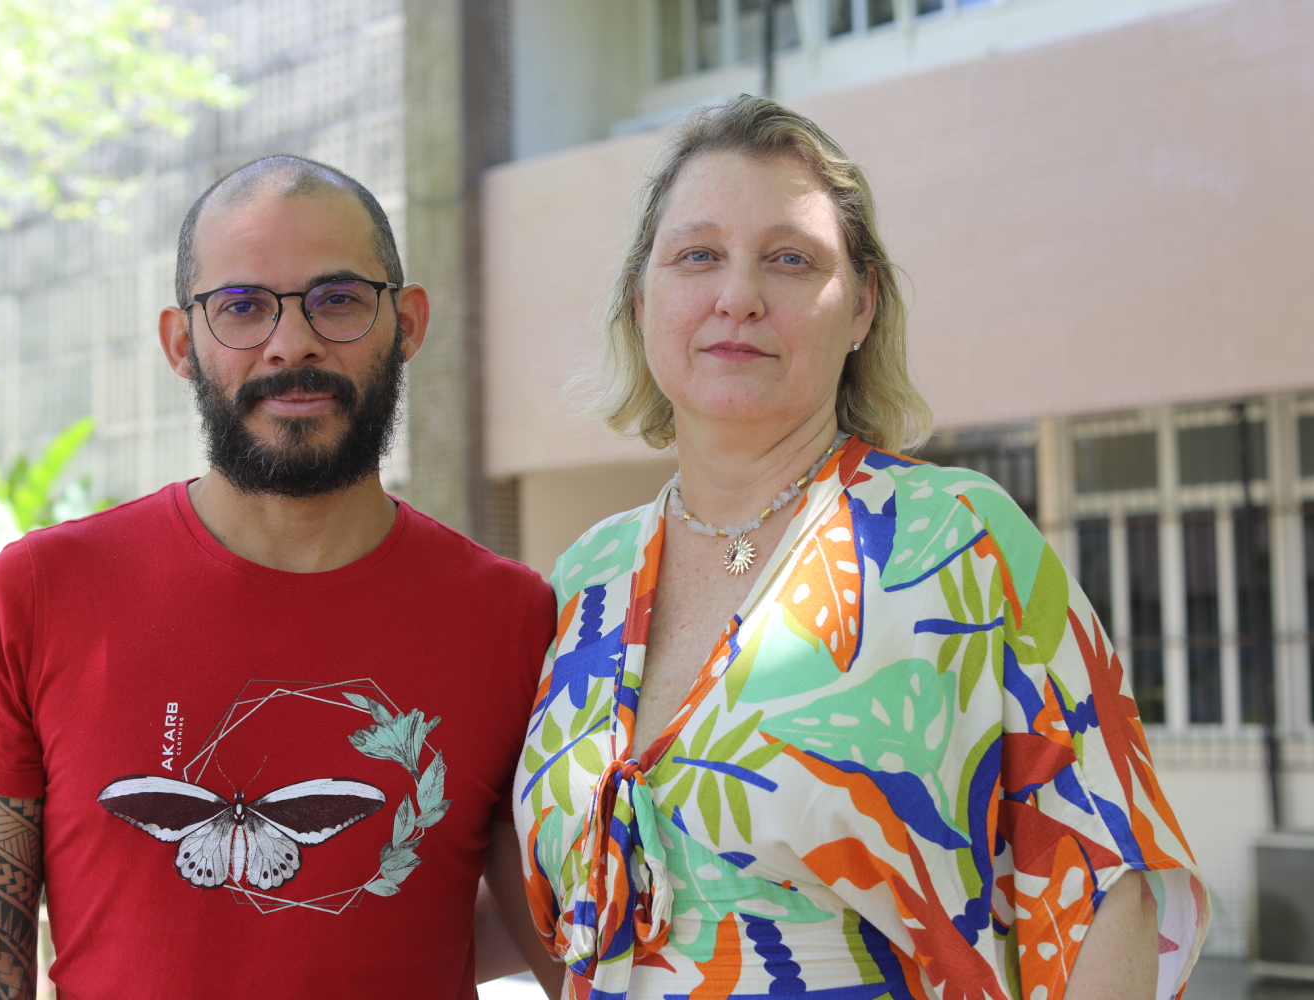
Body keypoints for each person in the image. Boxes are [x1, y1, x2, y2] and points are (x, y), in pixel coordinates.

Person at [512, 97, 1207, 1000]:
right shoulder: (582, 580)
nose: (738, 296)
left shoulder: (959, 541)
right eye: (697, 256)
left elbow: (1105, 874)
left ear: (862, 306)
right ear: (641, 300)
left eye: (790, 259)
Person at [0, 155, 561, 998]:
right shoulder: (38, 594)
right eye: (242, 307)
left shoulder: (511, 617)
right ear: (182, 344)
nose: (290, 343)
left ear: (406, 322)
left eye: (337, 299)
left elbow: (565, 943)